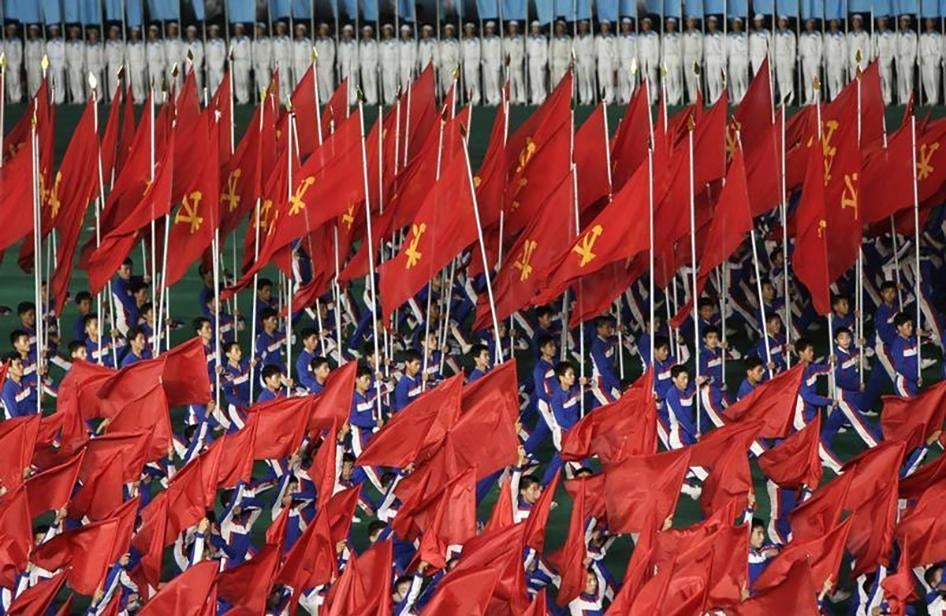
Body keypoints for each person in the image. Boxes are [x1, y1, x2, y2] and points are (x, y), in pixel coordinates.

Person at [891, 312, 921, 397]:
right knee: (911, 404)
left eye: (911, 325)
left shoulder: (912, 340)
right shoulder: (897, 344)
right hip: (903, 384)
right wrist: (915, 377)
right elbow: (899, 366)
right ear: (899, 327)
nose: (911, 328)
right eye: (908, 325)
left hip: (912, 383)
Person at [872, 16, 896, 105]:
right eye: (879, 21)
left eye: (883, 21)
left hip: (886, 59)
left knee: (887, 80)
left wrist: (889, 59)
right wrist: (873, 59)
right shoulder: (875, 34)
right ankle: (882, 97)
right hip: (878, 59)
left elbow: (892, 48)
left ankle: (888, 98)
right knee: (880, 80)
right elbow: (872, 47)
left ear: (886, 22)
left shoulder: (890, 34)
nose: (881, 23)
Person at [1, 354, 33, 419]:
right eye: (18, 364)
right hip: (17, 423)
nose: (22, 366)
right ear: (9, 369)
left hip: (31, 419)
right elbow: (15, 415)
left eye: (21, 363)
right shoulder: (7, 390)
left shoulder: (26, 381)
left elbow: (33, 400)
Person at [799, 18, 822, 105]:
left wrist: (818, 60)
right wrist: (800, 54)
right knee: (807, 80)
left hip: (814, 58)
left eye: (810, 23)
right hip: (805, 59)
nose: (808, 25)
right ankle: (809, 97)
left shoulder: (817, 34)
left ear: (813, 24)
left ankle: (817, 97)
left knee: (815, 79)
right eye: (807, 23)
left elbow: (820, 47)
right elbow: (800, 46)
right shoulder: (803, 35)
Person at [773, 15, 796, 104]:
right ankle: (783, 97)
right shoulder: (775, 33)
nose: (781, 23)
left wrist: (792, 61)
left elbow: (792, 48)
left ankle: (790, 97)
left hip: (787, 57)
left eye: (783, 21)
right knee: (781, 79)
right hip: (778, 58)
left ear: (786, 22)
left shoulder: (790, 34)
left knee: (788, 79)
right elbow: (772, 47)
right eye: (780, 21)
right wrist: (773, 61)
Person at [661, 17, 683, 105]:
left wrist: (679, 60)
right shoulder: (664, 36)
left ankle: (676, 97)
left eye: (671, 24)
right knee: (668, 79)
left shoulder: (678, 36)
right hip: (666, 58)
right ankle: (670, 98)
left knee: (676, 79)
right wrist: (661, 61)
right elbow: (662, 50)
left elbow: (680, 49)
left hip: (675, 57)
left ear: (674, 25)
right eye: (668, 24)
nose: (669, 25)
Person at [727, 17, 749, 103]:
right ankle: (736, 99)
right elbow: (727, 49)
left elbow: (747, 49)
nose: (734, 25)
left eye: (736, 23)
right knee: (734, 80)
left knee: (742, 79)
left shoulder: (744, 36)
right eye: (733, 23)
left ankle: (744, 98)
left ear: (740, 24)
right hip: (732, 59)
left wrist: (747, 60)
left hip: (741, 58)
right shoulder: (729, 36)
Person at [703, 16, 725, 103]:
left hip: (718, 57)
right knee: (711, 79)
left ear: (715, 23)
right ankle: (713, 98)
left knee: (718, 79)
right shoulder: (706, 36)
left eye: (712, 22)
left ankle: (719, 98)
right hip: (709, 58)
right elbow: (705, 49)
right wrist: (705, 60)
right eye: (709, 23)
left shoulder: (720, 35)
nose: (710, 24)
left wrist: (723, 60)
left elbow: (723, 48)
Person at [897, 15, 918, 104]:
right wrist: (896, 58)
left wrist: (912, 60)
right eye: (901, 21)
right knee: (901, 79)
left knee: (908, 79)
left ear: (908, 22)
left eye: (904, 21)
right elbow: (895, 46)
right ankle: (903, 98)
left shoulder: (912, 34)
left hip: (908, 57)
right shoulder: (897, 34)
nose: (902, 23)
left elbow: (914, 47)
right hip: (900, 58)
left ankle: (909, 98)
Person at [638, 17, 660, 103]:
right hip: (643, 60)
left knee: (653, 79)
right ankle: (647, 97)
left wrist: (656, 61)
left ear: (649, 25)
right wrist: (639, 61)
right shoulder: (640, 36)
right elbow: (639, 49)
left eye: (646, 24)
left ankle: (654, 97)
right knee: (645, 80)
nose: (644, 25)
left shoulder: (654, 35)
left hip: (651, 60)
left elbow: (657, 49)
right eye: (643, 24)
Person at [505, 21, 526, 105]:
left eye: (514, 27)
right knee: (511, 82)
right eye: (511, 27)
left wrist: (520, 62)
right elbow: (505, 52)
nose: (512, 28)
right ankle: (512, 98)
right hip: (509, 63)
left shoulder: (520, 39)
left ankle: (521, 98)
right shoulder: (506, 40)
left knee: (519, 81)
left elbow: (522, 52)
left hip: (517, 62)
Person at [825, 19, 847, 100]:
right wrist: (825, 59)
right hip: (830, 62)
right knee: (831, 82)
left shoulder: (841, 35)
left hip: (838, 61)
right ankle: (833, 99)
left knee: (839, 81)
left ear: (838, 23)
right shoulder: (827, 35)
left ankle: (840, 99)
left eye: (834, 22)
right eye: (831, 22)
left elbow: (844, 50)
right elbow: (825, 48)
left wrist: (843, 63)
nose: (833, 24)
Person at [617, 17, 638, 104]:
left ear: (630, 26)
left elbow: (636, 50)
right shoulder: (619, 37)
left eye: (627, 25)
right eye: (624, 25)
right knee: (623, 81)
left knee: (631, 80)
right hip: (622, 61)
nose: (625, 26)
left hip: (631, 60)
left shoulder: (634, 37)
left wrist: (636, 62)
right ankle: (626, 98)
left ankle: (632, 98)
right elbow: (617, 50)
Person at [682, 17, 703, 104]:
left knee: (696, 78)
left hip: (695, 56)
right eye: (688, 22)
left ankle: (698, 98)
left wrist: (699, 59)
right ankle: (692, 98)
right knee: (689, 78)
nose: (689, 23)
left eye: (691, 21)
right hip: (687, 57)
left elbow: (700, 47)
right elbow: (682, 47)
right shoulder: (684, 34)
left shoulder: (698, 34)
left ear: (694, 23)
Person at [481, 21, 502, 106]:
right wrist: (482, 59)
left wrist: (499, 63)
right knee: (488, 81)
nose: (489, 30)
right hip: (486, 63)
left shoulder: (497, 39)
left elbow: (499, 52)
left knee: (495, 81)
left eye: (491, 28)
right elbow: (482, 51)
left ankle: (497, 98)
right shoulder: (484, 39)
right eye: (488, 28)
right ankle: (490, 98)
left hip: (494, 62)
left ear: (493, 29)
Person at [526, 21, 548, 104]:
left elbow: (545, 51)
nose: (535, 29)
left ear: (539, 28)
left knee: (540, 80)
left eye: (536, 27)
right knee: (533, 81)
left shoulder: (543, 38)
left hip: (540, 60)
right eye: (533, 27)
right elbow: (527, 50)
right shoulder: (529, 38)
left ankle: (542, 98)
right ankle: (535, 99)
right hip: (532, 60)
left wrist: (544, 62)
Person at [229, 23, 251, 103]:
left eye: (238, 29)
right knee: (237, 80)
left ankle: (246, 97)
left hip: (244, 61)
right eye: (236, 29)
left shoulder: (246, 39)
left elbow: (249, 52)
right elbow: (230, 52)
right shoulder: (232, 40)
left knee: (245, 79)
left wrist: (249, 64)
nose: (237, 30)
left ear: (242, 29)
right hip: (236, 61)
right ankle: (240, 97)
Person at [574, 20, 595, 104]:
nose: (582, 27)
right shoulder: (576, 38)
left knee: (588, 79)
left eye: (584, 25)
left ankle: (590, 98)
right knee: (581, 80)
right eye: (581, 25)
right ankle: (583, 98)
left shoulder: (590, 37)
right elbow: (574, 49)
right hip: (579, 60)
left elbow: (593, 50)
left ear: (587, 26)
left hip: (588, 59)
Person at [461, 23, 481, 105]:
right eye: (467, 29)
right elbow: (462, 52)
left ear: (473, 30)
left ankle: (476, 98)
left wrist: (477, 63)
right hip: (466, 62)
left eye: (470, 29)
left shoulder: (476, 40)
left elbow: (478, 52)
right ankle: (470, 98)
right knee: (468, 81)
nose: (468, 30)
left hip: (474, 61)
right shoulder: (463, 41)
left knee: (475, 80)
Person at [272, 21, 292, 102]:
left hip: (285, 61)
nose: (279, 29)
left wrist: (289, 63)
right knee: (279, 81)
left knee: (286, 80)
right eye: (278, 28)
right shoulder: (274, 40)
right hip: (277, 62)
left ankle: (288, 98)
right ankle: (281, 98)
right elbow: (272, 53)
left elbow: (290, 51)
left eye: (281, 28)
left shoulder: (287, 39)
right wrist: (273, 63)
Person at [359, 26, 379, 106]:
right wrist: (361, 63)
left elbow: (376, 54)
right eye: (364, 32)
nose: (366, 33)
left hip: (371, 63)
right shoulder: (361, 42)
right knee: (365, 82)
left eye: (367, 31)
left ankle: (374, 99)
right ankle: (368, 99)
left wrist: (374, 65)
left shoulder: (373, 42)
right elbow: (360, 54)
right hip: (364, 64)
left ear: (370, 33)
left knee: (372, 81)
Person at [379, 24, 398, 105]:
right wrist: (380, 65)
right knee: (386, 83)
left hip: (392, 65)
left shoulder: (395, 42)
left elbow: (397, 55)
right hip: (384, 65)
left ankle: (393, 100)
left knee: (392, 83)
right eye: (384, 30)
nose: (385, 32)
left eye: (387, 30)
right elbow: (380, 55)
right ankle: (387, 100)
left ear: (390, 31)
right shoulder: (382, 43)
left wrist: (397, 67)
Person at [337, 24, 357, 104]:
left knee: (353, 82)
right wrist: (339, 63)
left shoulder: (354, 43)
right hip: (344, 65)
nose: (346, 33)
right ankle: (347, 99)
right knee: (345, 82)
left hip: (352, 65)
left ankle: (353, 99)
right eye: (345, 32)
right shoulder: (341, 43)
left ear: (351, 33)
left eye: (348, 32)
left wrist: (356, 66)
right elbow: (340, 54)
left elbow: (356, 54)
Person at [65, 25, 85, 104]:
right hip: (71, 64)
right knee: (72, 82)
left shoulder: (81, 43)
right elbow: (66, 55)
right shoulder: (68, 43)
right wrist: (67, 64)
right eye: (71, 32)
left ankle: (81, 97)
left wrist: (81, 65)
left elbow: (83, 55)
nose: (72, 34)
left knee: (79, 81)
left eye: (74, 32)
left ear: (77, 33)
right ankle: (75, 97)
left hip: (78, 64)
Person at [126, 27, 147, 102]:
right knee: (134, 82)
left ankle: (142, 97)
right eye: (132, 32)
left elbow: (144, 56)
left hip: (139, 64)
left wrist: (142, 66)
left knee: (140, 81)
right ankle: (136, 97)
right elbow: (127, 56)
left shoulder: (141, 44)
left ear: (137, 33)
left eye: (135, 32)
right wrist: (128, 66)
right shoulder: (129, 44)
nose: (133, 33)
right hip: (132, 65)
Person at [4, 24, 23, 103]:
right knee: (9, 81)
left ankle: (17, 98)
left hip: (15, 62)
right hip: (7, 63)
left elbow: (20, 53)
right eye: (9, 30)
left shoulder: (17, 41)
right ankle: (11, 97)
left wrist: (18, 63)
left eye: (12, 30)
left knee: (16, 80)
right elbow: (2, 53)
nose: (10, 31)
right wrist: (4, 64)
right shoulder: (4, 41)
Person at [550, 20, 572, 89]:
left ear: (563, 28)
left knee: (564, 81)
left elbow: (569, 52)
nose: (558, 28)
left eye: (560, 27)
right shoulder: (553, 39)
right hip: (555, 62)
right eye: (557, 27)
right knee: (556, 81)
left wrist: (568, 63)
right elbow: (550, 52)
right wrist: (550, 63)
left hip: (564, 62)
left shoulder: (568, 39)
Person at [25, 24, 45, 98]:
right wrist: (26, 65)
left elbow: (43, 53)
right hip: (30, 63)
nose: (32, 32)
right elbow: (25, 54)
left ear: (37, 31)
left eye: (34, 30)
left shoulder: (41, 42)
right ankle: (33, 96)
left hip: (37, 62)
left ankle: (39, 96)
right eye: (31, 30)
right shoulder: (28, 42)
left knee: (38, 80)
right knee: (31, 80)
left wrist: (43, 65)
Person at [164, 22, 184, 92]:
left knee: (178, 82)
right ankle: (172, 96)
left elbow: (183, 54)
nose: (170, 31)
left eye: (172, 29)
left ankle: (178, 97)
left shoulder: (179, 41)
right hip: (169, 64)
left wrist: (180, 64)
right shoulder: (166, 41)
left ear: (175, 30)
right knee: (171, 81)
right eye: (169, 29)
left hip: (176, 63)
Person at [252, 23, 272, 96]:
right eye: (257, 29)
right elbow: (253, 54)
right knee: (260, 83)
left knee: (267, 82)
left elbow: (269, 52)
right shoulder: (254, 41)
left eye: (260, 29)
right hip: (258, 64)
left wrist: (268, 63)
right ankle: (263, 98)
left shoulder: (267, 41)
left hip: (265, 63)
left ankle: (269, 98)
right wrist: (254, 64)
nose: (258, 30)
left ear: (263, 30)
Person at [291, 23, 311, 90]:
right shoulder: (294, 42)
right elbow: (292, 54)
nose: (299, 32)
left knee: (305, 80)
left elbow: (310, 53)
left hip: (305, 63)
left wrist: (310, 65)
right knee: (298, 80)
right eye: (297, 30)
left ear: (303, 31)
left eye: (300, 30)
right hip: (297, 63)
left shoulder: (307, 42)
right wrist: (292, 64)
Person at [184, 25, 204, 91]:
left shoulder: (198, 43)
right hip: (188, 66)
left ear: (194, 33)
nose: (189, 34)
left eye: (190, 32)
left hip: (196, 66)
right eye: (188, 32)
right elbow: (183, 56)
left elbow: (201, 55)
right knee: (189, 86)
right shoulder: (185, 44)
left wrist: (197, 66)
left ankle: (199, 97)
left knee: (197, 85)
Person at [397, 24, 416, 93]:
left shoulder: (412, 42)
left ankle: (410, 95)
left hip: (409, 63)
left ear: (408, 32)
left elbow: (414, 55)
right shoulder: (399, 43)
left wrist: (412, 65)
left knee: (410, 81)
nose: (403, 33)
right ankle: (404, 95)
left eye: (405, 32)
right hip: (402, 63)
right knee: (403, 81)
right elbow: (398, 54)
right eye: (402, 32)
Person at [146, 25, 166, 91]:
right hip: (151, 65)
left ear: (156, 32)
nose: (150, 33)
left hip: (157, 65)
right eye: (150, 31)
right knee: (152, 83)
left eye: (152, 31)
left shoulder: (160, 43)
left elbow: (163, 55)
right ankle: (153, 97)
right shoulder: (148, 43)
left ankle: (159, 97)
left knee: (158, 82)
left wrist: (162, 67)